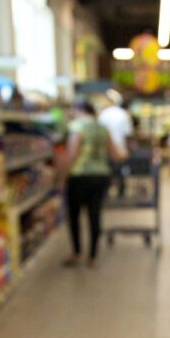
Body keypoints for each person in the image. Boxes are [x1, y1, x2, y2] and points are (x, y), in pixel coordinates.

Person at [62, 99, 124, 268]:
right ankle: (93, 256)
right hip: (101, 176)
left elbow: (72, 154)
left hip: (79, 176)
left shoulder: (76, 127)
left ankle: (76, 252)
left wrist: (62, 176)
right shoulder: (103, 128)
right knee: (95, 215)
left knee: (74, 216)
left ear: (78, 110)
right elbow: (116, 154)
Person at [98, 93, 133, 196]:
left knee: (107, 169)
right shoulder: (123, 114)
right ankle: (121, 190)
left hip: (106, 148)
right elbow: (128, 134)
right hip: (120, 147)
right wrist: (129, 148)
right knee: (121, 170)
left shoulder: (103, 114)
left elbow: (100, 133)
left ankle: (106, 190)